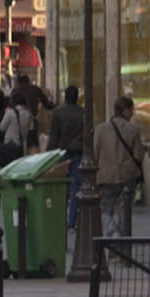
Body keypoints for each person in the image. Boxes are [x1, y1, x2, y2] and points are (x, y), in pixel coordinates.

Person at [92, 95, 146, 239]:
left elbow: (94, 154)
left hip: (105, 176)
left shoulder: (100, 129)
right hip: (127, 176)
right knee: (124, 212)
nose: (132, 113)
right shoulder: (133, 130)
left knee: (105, 210)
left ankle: (111, 231)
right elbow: (139, 155)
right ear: (125, 110)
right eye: (131, 110)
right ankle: (122, 246)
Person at [49, 85, 88, 228]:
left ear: (65, 96)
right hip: (77, 152)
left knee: (60, 186)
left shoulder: (58, 112)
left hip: (61, 153)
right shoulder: (82, 113)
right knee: (75, 188)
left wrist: (49, 155)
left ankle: (59, 217)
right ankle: (71, 220)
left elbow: (53, 136)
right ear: (77, 97)